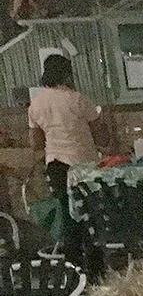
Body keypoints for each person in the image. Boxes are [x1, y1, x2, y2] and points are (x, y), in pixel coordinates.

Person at [28, 53, 104, 269]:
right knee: (91, 213)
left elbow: (34, 142)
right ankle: (96, 267)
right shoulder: (77, 99)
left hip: (56, 165)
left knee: (68, 213)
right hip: (84, 164)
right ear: (66, 73)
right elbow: (101, 136)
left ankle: (73, 268)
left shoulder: (37, 104)